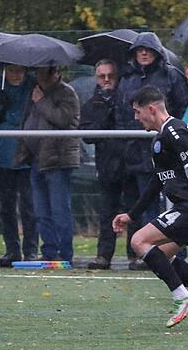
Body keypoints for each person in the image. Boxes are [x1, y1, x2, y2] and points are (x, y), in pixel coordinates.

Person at [112, 86, 188, 329]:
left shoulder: (174, 132)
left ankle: (181, 296)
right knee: (163, 254)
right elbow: (158, 180)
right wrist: (131, 215)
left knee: (138, 242)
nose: (136, 118)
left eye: (137, 112)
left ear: (151, 109)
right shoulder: (163, 138)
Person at [114, 32, 188, 269]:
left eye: (148, 49)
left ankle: (174, 254)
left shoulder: (171, 75)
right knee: (144, 203)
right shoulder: (127, 79)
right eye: (139, 50)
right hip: (136, 151)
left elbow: (182, 109)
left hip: (168, 150)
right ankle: (148, 254)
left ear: (157, 52)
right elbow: (122, 113)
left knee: (175, 206)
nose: (144, 53)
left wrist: (174, 140)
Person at [17, 66, 80, 262]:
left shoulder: (67, 93)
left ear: (55, 73)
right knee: (41, 211)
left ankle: (64, 253)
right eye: (38, 73)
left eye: (45, 73)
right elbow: (27, 120)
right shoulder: (34, 92)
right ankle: (49, 252)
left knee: (60, 209)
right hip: (37, 159)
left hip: (58, 160)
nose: (40, 77)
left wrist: (42, 101)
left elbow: (63, 119)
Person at [0, 64, 38, 267]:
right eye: (11, 70)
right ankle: (12, 249)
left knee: (29, 205)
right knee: (6, 207)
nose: (15, 74)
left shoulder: (33, 86)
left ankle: (31, 249)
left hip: (27, 154)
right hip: (3, 154)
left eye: (19, 70)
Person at [79, 59, 132, 270]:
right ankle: (104, 255)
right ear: (97, 78)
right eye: (102, 76)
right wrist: (103, 114)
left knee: (133, 210)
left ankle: (136, 255)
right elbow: (87, 134)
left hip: (129, 161)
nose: (107, 80)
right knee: (107, 212)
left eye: (110, 75)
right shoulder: (92, 103)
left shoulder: (127, 97)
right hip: (107, 164)